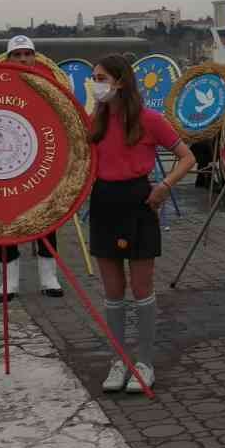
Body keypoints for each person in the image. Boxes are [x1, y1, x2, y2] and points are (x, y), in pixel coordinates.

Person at [86, 55, 196, 393]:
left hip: (139, 202)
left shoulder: (150, 120)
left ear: (120, 82)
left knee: (142, 288)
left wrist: (163, 187)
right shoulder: (94, 122)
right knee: (113, 291)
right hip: (104, 202)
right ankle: (119, 360)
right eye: (94, 77)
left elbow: (187, 158)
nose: (95, 84)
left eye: (101, 77)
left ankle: (144, 363)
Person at [0, 34, 64, 299]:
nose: (23, 59)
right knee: (6, 223)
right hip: (5, 165)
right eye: (17, 54)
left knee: (46, 219)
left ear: (35, 57)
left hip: (41, 164)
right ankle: (9, 284)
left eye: (28, 53)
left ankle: (49, 279)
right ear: (8, 58)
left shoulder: (47, 86)